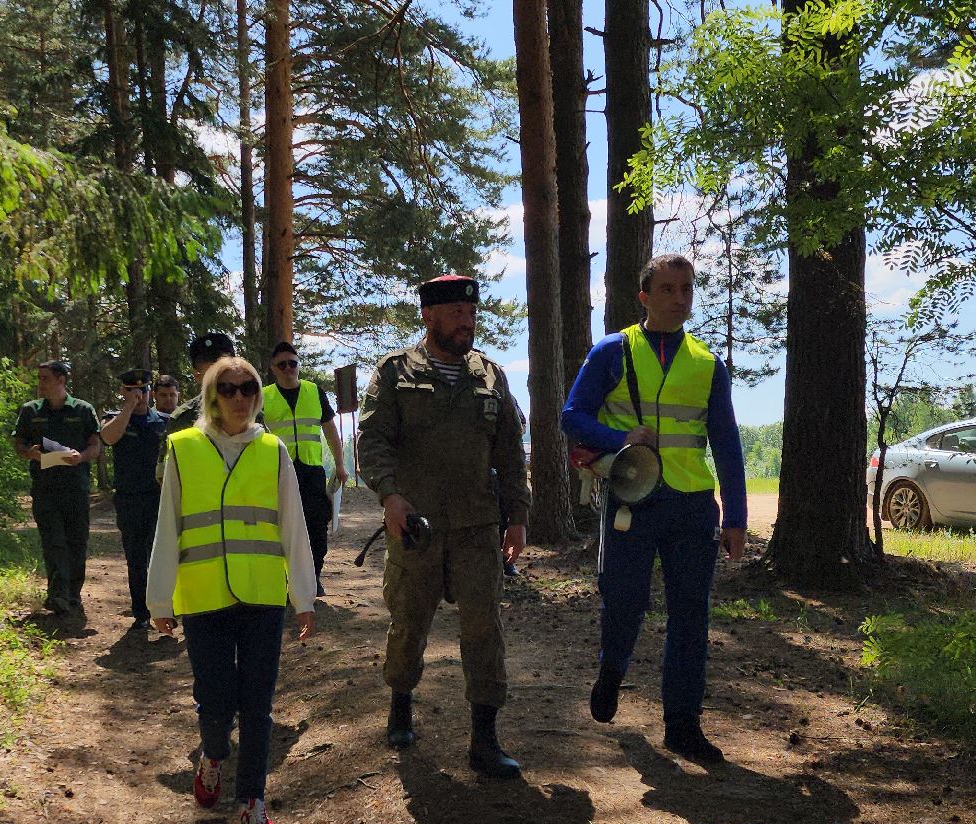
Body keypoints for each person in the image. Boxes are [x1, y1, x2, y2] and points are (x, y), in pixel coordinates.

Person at [560, 253, 748, 763]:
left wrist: (735, 518)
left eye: (686, 289)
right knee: (624, 601)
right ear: (644, 296)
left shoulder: (709, 365)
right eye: (667, 289)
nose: (678, 298)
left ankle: (683, 724)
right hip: (632, 499)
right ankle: (612, 670)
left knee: (692, 615)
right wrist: (618, 437)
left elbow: (727, 442)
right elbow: (572, 415)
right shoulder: (613, 351)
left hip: (691, 506)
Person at [357, 274, 529, 779]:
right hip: (417, 525)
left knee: (483, 628)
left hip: (477, 526)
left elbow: (510, 454)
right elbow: (372, 441)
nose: (466, 320)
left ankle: (485, 738)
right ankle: (401, 704)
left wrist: (517, 517)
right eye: (455, 312)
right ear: (428, 316)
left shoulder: (491, 376)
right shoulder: (394, 373)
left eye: (471, 312)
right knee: (409, 622)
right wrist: (389, 495)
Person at [149, 356, 317, 824]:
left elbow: (294, 527)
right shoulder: (182, 449)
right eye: (228, 389)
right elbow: (167, 528)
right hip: (203, 597)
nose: (239, 398)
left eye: (247, 388)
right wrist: (160, 600)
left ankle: (252, 803)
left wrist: (303, 596)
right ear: (211, 396)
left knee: (258, 704)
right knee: (215, 702)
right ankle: (213, 756)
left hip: (262, 595)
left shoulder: (272, 450)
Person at [12, 360, 102, 618]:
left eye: (45, 379)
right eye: (39, 378)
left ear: (61, 380)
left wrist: (81, 457)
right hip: (44, 488)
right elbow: (19, 445)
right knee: (53, 541)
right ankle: (58, 594)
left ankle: (73, 593)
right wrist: (30, 453)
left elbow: (95, 446)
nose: (40, 384)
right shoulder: (30, 411)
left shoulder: (83, 410)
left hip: (76, 488)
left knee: (76, 541)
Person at [262, 341, 349, 595]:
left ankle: (313, 577)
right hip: (279, 472)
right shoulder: (264, 396)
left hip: (312, 471)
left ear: (298, 364)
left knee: (317, 526)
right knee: (283, 528)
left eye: (293, 363)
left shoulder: (314, 391)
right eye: (282, 364)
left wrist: (341, 465)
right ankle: (289, 580)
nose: (288, 368)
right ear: (273, 368)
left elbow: (331, 431)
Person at [100, 366, 171, 625]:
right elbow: (107, 439)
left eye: (143, 389)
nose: (139, 394)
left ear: (151, 391)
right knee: (136, 556)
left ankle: (165, 609)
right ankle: (141, 612)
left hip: (158, 497)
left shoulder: (163, 422)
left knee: (162, 554)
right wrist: (128, 409)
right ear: (123, 392)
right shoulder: (114, 419)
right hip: (129, 497)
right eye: (132, 390)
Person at [167, 331, 233, 435]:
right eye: (212, 373)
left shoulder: (249, 411)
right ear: (197, 376)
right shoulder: (183, 419)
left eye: (224, 370)